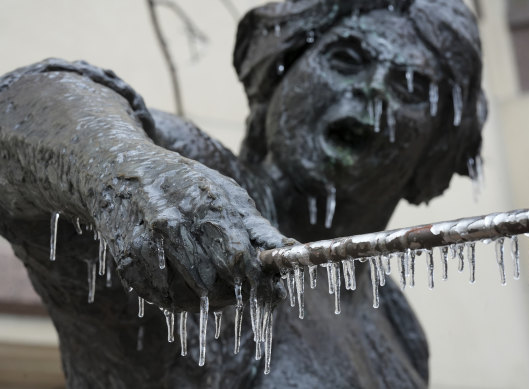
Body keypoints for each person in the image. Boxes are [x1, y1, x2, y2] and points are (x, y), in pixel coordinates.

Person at [0, 0, 485, 387]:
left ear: (435, 151)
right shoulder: (198, 196)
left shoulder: (394, 321)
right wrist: (126, 171)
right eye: (347, 60)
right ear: (278, 76)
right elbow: (20, 105)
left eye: (413, 87)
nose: (374, 91)